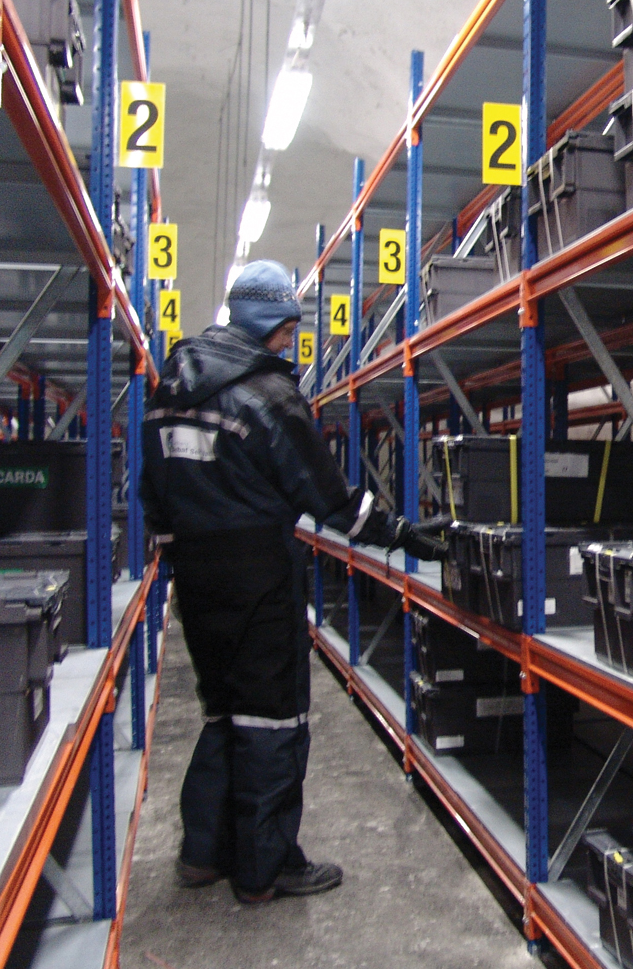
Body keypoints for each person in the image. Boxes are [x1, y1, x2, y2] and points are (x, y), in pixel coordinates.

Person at [140, 260, 446, 904]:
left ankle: (203, 852)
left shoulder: (170, 386)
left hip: (194, 577)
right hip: (257, 575)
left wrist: (176, 553)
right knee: (275, 721)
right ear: (272, 322)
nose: (290, 341)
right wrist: (399, 533)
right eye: (287, 329)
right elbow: (329, 500)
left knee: (224, 711)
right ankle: (264, 869)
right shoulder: (270, 396)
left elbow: (152, 489)